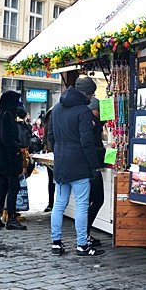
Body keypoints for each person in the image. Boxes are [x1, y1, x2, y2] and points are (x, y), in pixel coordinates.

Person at [49, 76, 104, 257]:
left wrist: (59, 152)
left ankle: (56, 243)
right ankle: (82, 245)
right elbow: (87, 142)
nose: (92, 97)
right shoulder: (83, 111)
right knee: (82, 205)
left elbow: (50, 137)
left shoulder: (56, 109)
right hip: (79, 162)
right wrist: (94, 166)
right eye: (92, 94)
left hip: (61, 161)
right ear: (87, 94)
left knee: (59, 204)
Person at [0, 91, 26, 230]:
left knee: (1, 188)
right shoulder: (7, 115)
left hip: (1, 158)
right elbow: (7, 138)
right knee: (12, 188)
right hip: (9, 159)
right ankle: (11, 218)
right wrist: (17, 150)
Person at [85, 97, 106, 247]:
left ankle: (85, 233)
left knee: (90, 201)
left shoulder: (91, 121)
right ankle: (84, 233)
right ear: (95, 110)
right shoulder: (92, 123)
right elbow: (92, 145)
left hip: (88, 167)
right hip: (92, 167)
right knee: (97, 199)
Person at [42, 107, 55, 213]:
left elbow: (46, 137)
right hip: (53, 153)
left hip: (51, 152)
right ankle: (51, 203)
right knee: (53, 180)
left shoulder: (49, 116)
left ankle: (51, 203)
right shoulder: (53, 115)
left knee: (51, 180)